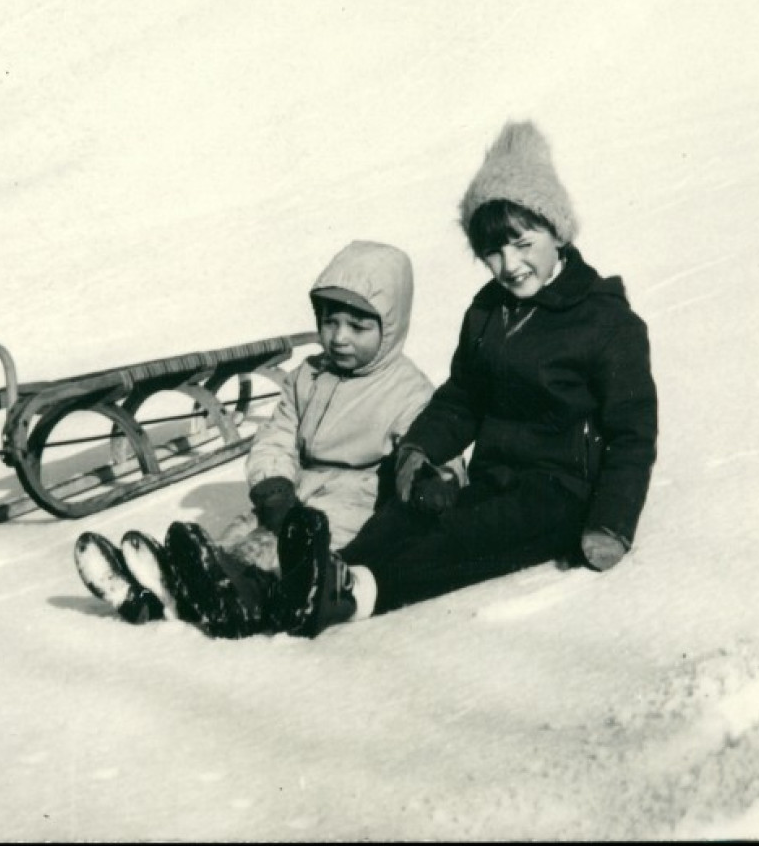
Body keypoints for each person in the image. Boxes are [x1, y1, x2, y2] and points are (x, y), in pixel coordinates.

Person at [278, 120, 659, 638]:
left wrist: (612, 523)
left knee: (461, 538)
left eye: (523, 244)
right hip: (495, 477)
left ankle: (356, 594)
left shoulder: (606, 322)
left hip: (561, 495)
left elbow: (631, 434)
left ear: (557, 232)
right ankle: (321, 576)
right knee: (407, 513)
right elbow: (463, 398)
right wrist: (419, 450)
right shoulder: (488, 310)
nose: (509, 265)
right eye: (493, 254)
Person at [73, 239, 437, 637]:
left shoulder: (408, 390)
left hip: (356, 499)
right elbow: (277, 433)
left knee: (284, 555)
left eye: (358, 326)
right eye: (330, 321)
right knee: (240, 536)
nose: (339, 338)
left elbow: (429, 447)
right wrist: (273, 483)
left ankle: (236, 596)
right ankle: (169, 587)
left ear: (390, 327)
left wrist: (431, 480)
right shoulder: (309, 374)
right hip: (297, 485)